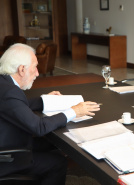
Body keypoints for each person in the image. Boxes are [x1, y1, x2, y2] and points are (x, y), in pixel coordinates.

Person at [0, 43, 100, 185]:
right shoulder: (9, 92)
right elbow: (39, 127)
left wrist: (44, 100)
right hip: (7, 157)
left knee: (51, 144)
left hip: (8, 143)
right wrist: (74, 111)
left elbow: (16, 106)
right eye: (35, 67)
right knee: (58, 162)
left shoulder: (4, 84)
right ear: (22, 69)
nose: (37, 73)